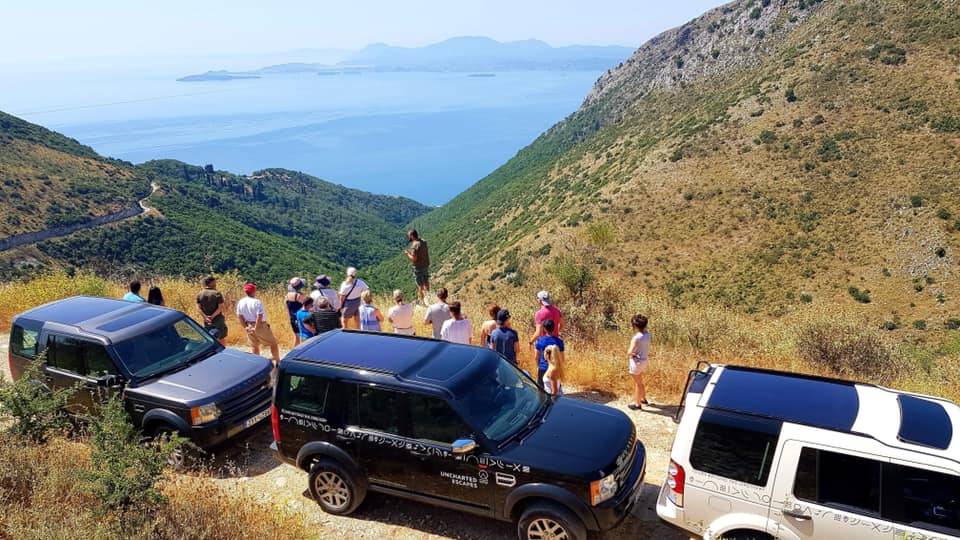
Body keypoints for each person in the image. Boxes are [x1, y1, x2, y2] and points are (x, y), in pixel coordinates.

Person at [236, 282, 280, 365]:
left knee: (254, 345)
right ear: (253, 291)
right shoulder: (257, 302)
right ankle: (277, 361)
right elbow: (259, 315)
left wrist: (245, 327)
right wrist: (256, 327)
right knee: (273, 343)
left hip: (248, 324)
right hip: (260, 325)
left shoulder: (241, 302)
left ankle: (257, 363)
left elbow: (239, 316)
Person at [627, 314, 651, 411]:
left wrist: (632, 353)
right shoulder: (648, 334)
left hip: (636, 362)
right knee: (640, 381)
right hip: (644, 360)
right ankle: (643, 399)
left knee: (638, 383)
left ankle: (637, 404)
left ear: (635, 326)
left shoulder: (636, 338)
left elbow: (629, 352)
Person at [197, 275, 227, 345]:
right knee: (221, 337)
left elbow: (198, 308)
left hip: (206, 321)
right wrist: (212, 316)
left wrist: (205, 317)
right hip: (218, 320)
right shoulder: (217, 293)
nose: (215, 284)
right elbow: (220, 308)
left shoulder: (200, 294)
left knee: (210, 338)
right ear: (210, 283)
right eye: (214, 282)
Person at [534, 319, 564, 389]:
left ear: (544, 329)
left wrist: (538, 366)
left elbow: (536, 356)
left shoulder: (540, 340)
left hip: (543, 367)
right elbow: (562, 357)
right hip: (555, 367)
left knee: (541, 390)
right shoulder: (559, 341)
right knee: (555, 388)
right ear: (554, 328)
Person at [404, 229, 430, 305]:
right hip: (425, 265)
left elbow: (414, 259)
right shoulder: (424, 241)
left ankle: (422, 301)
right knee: (426, 282)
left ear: (412, 236)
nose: (408, 238)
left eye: (409, 236)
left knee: (420, 285)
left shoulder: (414, 245)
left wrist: (407, 254)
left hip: (418, 268)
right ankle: (428, 297)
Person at [286, 277, 308, 346]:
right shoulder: (299, 296)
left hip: (292, 318)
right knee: (304, 337)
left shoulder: (287, 295)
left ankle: (294, 351)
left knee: (296, 337)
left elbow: (287, 307)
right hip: (300, 318)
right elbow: (306, 306)